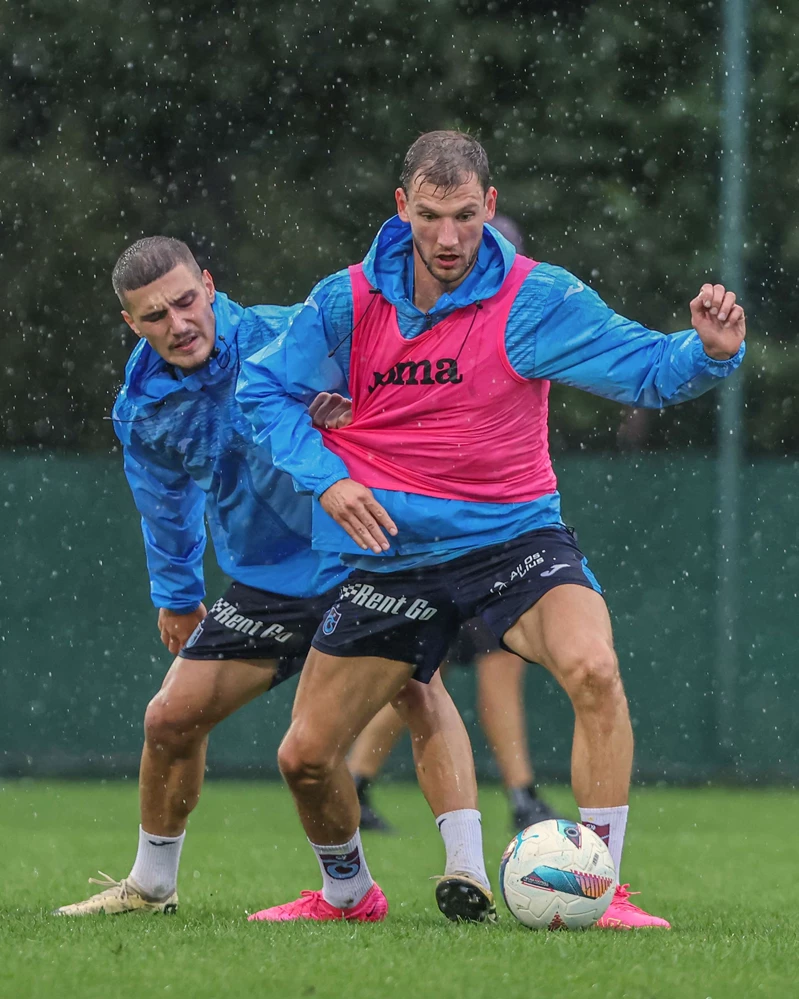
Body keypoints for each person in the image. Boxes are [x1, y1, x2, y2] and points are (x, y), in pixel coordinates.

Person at [238, 130, 746, 929]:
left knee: (594, 670)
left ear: (491, 207)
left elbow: (646, 366)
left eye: (466, 216)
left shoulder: (534, 297)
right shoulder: (346, 301)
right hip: (390, 552)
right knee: (304, 758)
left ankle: (602, 888)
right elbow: (260, 391)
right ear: (401, 207)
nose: (448, 238)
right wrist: (328, 480)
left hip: (513, 541)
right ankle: (347, 895)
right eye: (432, 216)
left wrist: (708, 354)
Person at [53, 236, 491, 923]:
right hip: (266, 584)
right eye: (155, 316)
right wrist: (176, 594)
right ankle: (157, 885)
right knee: (169, 719)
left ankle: (467, 872)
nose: (179, 323)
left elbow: (402, 378)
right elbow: (164, 502)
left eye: (186, 302)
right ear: (130, 324)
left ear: (209, 284)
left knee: (415, 687)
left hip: (361, 555)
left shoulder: (289, 334)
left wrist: (352, 409)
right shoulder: (141, 407)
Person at [346, 215, 556, 835]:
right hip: (441, 540)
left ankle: (520, 797)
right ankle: (360, 783)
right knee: (415, 676)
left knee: (462, 673)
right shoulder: (413, 325)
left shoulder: (524, 319)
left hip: (497, 533)